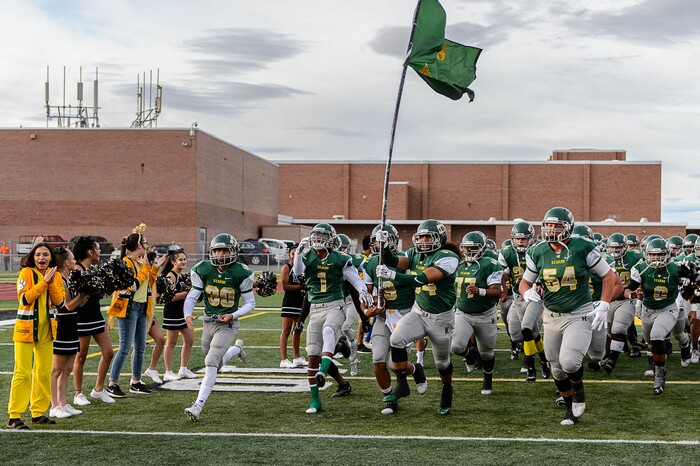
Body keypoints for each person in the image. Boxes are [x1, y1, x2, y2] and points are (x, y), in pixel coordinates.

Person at [519, 207, 617, 426]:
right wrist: (527, 292)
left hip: (579, 313)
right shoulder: (537, 251)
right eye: (548, 225)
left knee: (570, 362)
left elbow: (608, 276)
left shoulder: (582, 247)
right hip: (552, 315)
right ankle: (570, 408)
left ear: (568, 227)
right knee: (556, 367)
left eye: (557, 225)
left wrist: (603, 304)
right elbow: (525, 281)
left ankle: (579, 392)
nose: (552, 230)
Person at [376, 219, 460, 415]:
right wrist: (384, 247)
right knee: (396, 339)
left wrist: (392, 275)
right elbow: (393, 261)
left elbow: (420, 279)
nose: (423, 241)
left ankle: (447, 388)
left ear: (439, 238)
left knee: (442, 363)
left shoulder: (448, 257)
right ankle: (402, 384)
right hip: (419, 312)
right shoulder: (414, 253)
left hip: (441, 319)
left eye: (427, 237)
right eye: (420, 236)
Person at [292, 223, 374, 414]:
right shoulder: (307, 256)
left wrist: (363, 290)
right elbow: (297, 274)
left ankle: (324, 369)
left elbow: (355, 279)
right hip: (315, 308)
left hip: (335, 304)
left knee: (329, 330)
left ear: (331, 239)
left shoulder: (339, 258)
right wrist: (297, 253)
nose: (318, 239)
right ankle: (315, 400)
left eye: (323, 236)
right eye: (316, 235)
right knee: (312, 356)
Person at [184, 233, 253, 421]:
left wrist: (233, 314)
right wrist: (187, 314)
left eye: (224, 250)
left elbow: (250, 303)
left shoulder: (242, 272)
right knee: (215, 360)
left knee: (211, 362)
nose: (221, 254)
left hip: (227, 324)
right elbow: (192, 295)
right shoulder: (203, 269)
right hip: (208, 322)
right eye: (217, 250)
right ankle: (237, 349)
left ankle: (198, 405)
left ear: (233, 251)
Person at [363, 223, 424, 414]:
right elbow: (366, 294)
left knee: (394, 363)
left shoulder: (405, 260)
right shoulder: (369, 263)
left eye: (384, 241)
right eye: (376, 242)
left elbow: (416, 286)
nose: (379, 245)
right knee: (378, 359)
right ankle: (389, 397)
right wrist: (369, 309)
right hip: (383, 316)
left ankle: (415, 370)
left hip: (404, 314)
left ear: (393, 242)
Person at [7, 243, 66, 429]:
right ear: (33, 257)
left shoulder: (55, 275)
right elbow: (24, 299)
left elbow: (60, 302)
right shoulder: (26, 274)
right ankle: (14, 416)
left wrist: (51, 284)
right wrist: (43, 283)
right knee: (22, 373)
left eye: (45, 254)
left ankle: (38, 412)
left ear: (51, 258)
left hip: (47, 331)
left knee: (43, 373)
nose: (41, 258)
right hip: (25, 330)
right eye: (38, 254)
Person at [106, 226, 166, 398]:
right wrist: (148, 268)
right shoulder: (127, 263)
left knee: (140, 346)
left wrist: (154, 268)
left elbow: (148, 283)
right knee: (125, 347)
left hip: (141, 307)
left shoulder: (142, 262)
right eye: (145, 243)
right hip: (128, 308)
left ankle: (136, 381)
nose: (148, 246)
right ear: (139, 245)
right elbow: (132, 286)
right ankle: (112, 383)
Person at [627, 238, 689, 395]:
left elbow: (689, 288)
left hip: (668, 308)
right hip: (648, 310)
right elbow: (628, 289)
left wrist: (687, 289)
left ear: (667, 254)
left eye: (660, 254)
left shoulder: (676, 269)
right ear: (647, 255)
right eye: (652, 255)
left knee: (657, 336)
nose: (656, 259)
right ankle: (658, 368)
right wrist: (632, 294)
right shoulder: (641, 268)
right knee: (650, 342)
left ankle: (660, 375)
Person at [452, 231, 504, 396]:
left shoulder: (490, 264)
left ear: (482, 249)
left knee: (487, 353)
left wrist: (479, 291)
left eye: (474, 248)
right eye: (467, 249)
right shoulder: (459, 265)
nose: (470, 252)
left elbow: (497, 292)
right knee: (457, 346)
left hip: (485, 314)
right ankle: (471, 354)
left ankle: (487, 378)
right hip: (463, 313)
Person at [499, 221, 550, 382]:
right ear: (512, 239)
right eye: (518, 239)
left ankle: (530, 366)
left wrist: (541, 283)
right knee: (525, 333)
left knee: (527, 328)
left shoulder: (539, 250)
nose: (521, 242)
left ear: (531, 239)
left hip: (536, 296)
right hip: (519, 296)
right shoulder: (506, 253)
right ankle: (543, 361)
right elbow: (502, 275)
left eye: (524, 239)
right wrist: (504, 290)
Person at [71, 236, 115, 406]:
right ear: (90, 252)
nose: (99, 251)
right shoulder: (77, 270)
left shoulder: (93, 269)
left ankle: (98, 389)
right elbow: (78, 299)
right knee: (81, 356)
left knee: (108, 352)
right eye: (97, 249)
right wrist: (92, 291)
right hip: (81, 318)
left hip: (96, 315)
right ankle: (78, 393)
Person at [49, 247, 87, 419]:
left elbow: (79, 304)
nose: (74, 261)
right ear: (66, 262)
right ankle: (54, 405)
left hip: (72, 323)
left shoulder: (69, 278)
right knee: (57, 369)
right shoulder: (58, 278)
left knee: (68, 368)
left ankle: (63, 403)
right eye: (72, 258)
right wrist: (83, 294)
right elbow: (67, 306)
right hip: (62, 324)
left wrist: (92, 291)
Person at [161, 247, 197, 381]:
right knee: (171, 342)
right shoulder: (171, 275)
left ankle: (183, 369)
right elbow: (170, 297)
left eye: (184, 259)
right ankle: (168, 371)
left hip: (182, 312)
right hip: (172, 312)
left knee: (189, 340)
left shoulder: (182, 275)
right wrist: (187, 293)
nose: (183, 262)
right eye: (180, 260)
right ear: (173, 262)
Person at [279, 244, 307, 368]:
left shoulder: (303, 268)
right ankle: (284, 359)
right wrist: (301, 286)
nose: (295, 255)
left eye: (297, 253)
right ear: (289, 255)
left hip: (300, 301)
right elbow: (285, 286)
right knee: (286, 330)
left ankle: (297, 357)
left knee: (298, 329)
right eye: (293, 253)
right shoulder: (287, 267)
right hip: (290, 302)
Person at [144, 251, 166, 384]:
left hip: (149, 314)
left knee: (160, 339)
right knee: (139, 345)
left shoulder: (154, 275)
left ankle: (152, 369)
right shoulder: (145, 272)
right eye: (155, 260)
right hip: (140, 313)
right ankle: (135, 378)